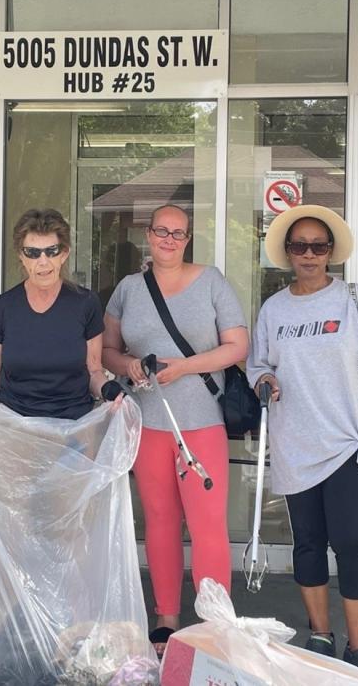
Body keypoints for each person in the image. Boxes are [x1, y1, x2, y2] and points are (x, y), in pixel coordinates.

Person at [247, 204, 358, 677]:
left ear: (330, 252)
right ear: (287, 253)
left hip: (347, 443)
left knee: (351, 543)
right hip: (294, 443)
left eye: (318, 245)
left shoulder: (353, 299)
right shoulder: (274, 308)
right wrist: (264, 380)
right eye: (299, 245)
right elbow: (257, 365)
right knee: (308, 544)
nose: (308, 253)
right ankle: (320, 634)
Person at [101, 204, 249, 657]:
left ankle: (215, 621)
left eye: (178, 233)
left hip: (201, 422)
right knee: (161, 520)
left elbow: (238, 345)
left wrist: (186, 367)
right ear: (148, 234)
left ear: (188, 239)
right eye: (162, 231)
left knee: (207, 524)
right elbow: (107, 349)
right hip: (148, 422)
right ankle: (167, 618)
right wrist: (128, 365)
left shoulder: (212, 281)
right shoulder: (128, 289)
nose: (169, 239)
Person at [0, 208, 114, 416]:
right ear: (21, 255)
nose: (43, 261)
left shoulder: (86, 303)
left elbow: (94, 371)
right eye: (33, 252)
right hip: (14, 430)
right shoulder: (2, 308)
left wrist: (110, 391)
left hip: (73, 431)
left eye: (52, 251)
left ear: (64, 254)